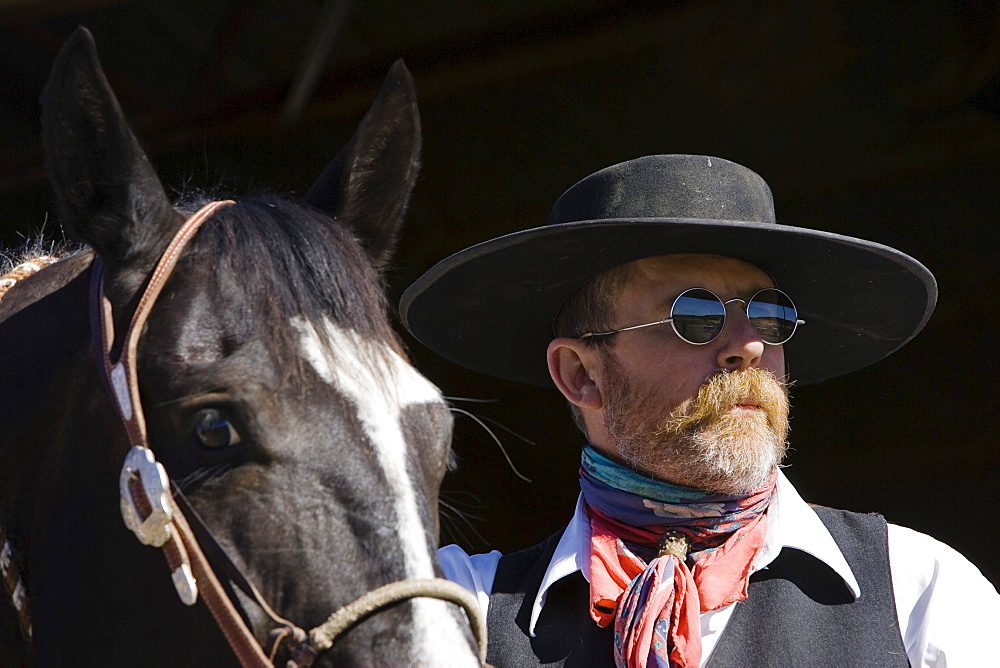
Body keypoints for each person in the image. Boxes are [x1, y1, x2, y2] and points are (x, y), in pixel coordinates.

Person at [400, 155, 999, 666]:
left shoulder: (920, 593)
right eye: (695, 315)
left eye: (771, 314)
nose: (750, 344)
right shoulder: (464, 609)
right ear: (580, 374)